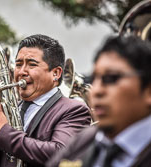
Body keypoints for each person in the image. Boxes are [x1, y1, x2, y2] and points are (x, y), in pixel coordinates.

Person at [0, 34, 92, 167]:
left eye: (32, 64)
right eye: (18, 64)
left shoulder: (74, 109)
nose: (21, 72)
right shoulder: (8, 108)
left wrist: (3, 133)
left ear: (56, 73)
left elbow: (60, 154)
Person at [46, 36, 151, 167]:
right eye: (94, 79)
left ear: (148, 90)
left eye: (111, 78)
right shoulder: (84, 139)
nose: (95, 91)